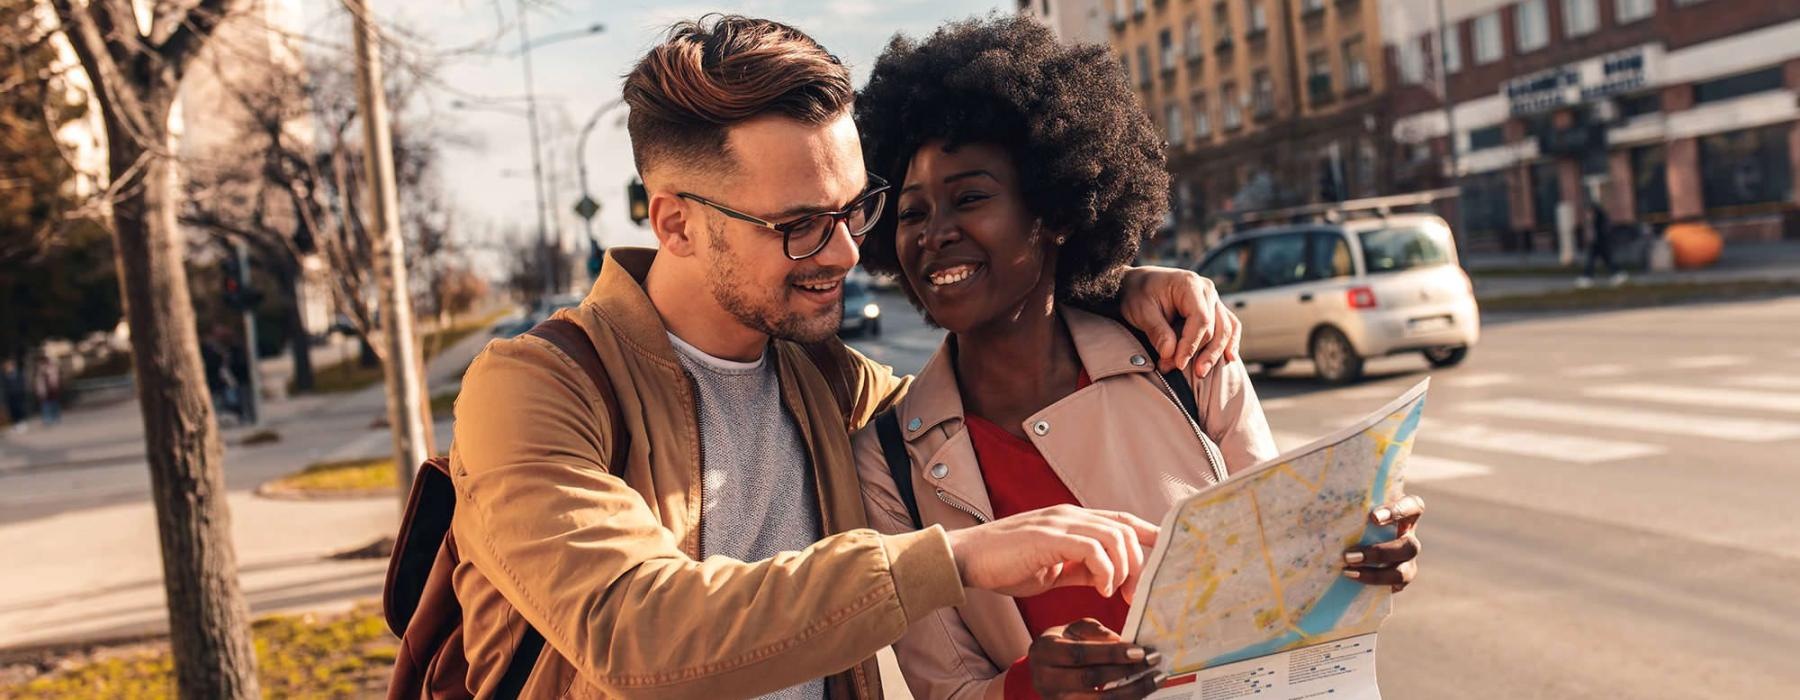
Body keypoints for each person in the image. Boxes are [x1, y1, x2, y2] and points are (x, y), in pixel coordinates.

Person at [440, 15, 1247, 699]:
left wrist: (1111, 282)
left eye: (855, 209)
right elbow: (634, 629)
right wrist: (956, 557)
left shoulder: (830, 383)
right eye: (797, 224)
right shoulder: (537, 386)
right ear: (677, 224)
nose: (844, 253)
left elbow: (993, 359)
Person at [849, 17, 1426, 700]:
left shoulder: (1185, 355)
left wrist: (1358, 559)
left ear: (1056, 211)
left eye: (970, 198)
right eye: (912, 213)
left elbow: (1283, 582)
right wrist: (1030, 688)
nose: (936, 233)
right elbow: (946, 689)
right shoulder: (888, 458)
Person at [1578, 198, 1626, 288]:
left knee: (1597, 260)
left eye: (1588, 211)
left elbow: (1601, 231)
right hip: (1599, 243)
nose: (1587, 213)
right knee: (1603, 260)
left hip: (1601, 243)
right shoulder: (1598, 217)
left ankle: (1587, 278)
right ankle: (1617, 274)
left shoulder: (1599, 218)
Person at [33, 355, 62, 426]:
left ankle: (55, 417)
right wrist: (38, 390)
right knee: (45, 405)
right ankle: (47, 419)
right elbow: (38, 382)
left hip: (52, 389)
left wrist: (55, 386)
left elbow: (55, 378)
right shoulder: (39, 370)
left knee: (54, 404)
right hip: (44, 390)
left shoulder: (52, 368)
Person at [2, 359, 28, 430]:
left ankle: (22, 423)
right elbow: (5, 387)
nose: (8, 368)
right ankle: (16, 423)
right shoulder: (5, 376)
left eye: (9, 366)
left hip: (18, 394)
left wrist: (21, 391)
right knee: (13, 410)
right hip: (10, 396)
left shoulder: (18, 374)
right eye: (6, 367)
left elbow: (22, 383)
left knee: (19, 408)